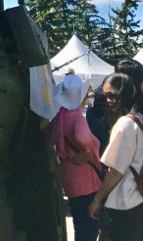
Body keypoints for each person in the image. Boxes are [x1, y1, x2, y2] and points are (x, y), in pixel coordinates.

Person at [46, 73, 102, 241]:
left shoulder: (59, 117)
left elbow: (48, 136)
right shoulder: (77, 117)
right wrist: (85, 152)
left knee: (79, 222)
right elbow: (82, 138)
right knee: (89, 228)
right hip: (85, 180)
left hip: (68, 177)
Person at [88, 73, 143, 239]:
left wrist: (97, 199)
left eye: (112, 95)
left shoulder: (126, 123)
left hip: (128, 201)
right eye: (105, 96)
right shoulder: (139, 119)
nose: (108, 100)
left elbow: (116, 170)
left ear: (124, 94)